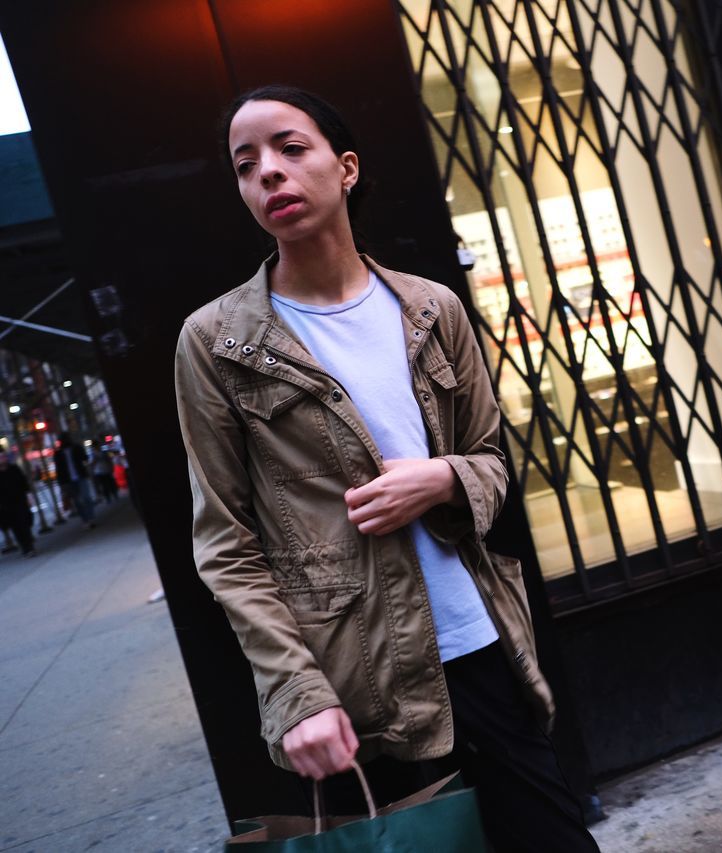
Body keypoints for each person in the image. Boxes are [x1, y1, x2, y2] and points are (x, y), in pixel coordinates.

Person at [174, 85, 599, 851]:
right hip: (357, 682)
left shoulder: (433, 309)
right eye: (246, 164)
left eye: (289, 148)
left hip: (479, 645)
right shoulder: (216, 342)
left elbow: (493, 461)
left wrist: (440, 480)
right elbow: (227, 544)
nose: (268, 172)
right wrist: (297, 693)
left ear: (346, 168)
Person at [53, 433, 96, 528]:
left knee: (85, 498)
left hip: (80, 476)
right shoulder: (58, 453)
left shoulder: (76, 448)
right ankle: (86, 519)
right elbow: (59, 470)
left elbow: (85, 457)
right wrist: (62, 483)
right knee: (78, 501)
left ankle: (90, 518)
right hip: (69, 480)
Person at [0, 454, 36, 557]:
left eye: (3, 457)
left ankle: (29, 545)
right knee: (15, 527)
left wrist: (28, 496)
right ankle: (25, 547)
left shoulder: (14, 468)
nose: (3, 459)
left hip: (20, 501)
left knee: (24, 522)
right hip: (6, 505)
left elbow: (23, 482)